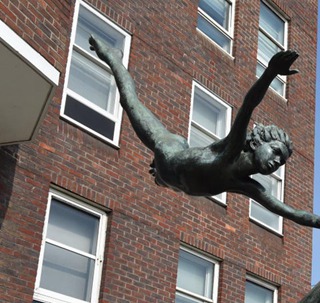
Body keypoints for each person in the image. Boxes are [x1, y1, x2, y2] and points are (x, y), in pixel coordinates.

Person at [89, 35, 298, 201]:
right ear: (256, 142)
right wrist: (270, 72)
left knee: (165, 175)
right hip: (169, 149)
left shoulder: (247, 186)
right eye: (276, 152)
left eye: (281, 162)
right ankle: (112, 57)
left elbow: (297, 215)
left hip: (174, 174)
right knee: (129, 102)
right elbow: (248, 105)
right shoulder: (231, 150)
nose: (277, 162)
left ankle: (161, 177)